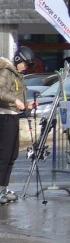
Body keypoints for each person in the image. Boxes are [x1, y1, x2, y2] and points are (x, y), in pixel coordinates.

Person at [0, 46, 33, 203]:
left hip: (14, 117)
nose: (25, 68)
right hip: (4, 116)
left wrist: (28, 106)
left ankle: (3, 188)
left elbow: (19, 96)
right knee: (4, 155)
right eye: (25, 64)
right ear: (18, 59)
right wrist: (15, 100)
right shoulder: (5, 72)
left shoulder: (19, 75)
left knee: (12, 155)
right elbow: (1, 92)